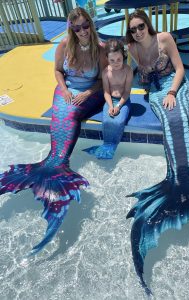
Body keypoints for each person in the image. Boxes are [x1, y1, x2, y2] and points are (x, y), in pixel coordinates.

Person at [125, 9, 189, 295]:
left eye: (141, 26)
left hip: (177, 88)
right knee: (169, 120)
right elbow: (127, 71)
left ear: (148, 25)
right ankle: (181, 182)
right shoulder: (132, 49)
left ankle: (185, 179)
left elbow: (180, 69)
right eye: (133, 29)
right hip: (155, 94)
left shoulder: (165, 39)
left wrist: (171, 92)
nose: (138, 32)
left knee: (179, 116)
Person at [0, 7, 107, 255]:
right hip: (67, 90)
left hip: (90, 93)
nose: (81, 31)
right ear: (71, 29)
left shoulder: (99, 48)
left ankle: (55, 168)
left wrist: (86, 93)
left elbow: (103, 80)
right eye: (76, 28)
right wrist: (65, 89)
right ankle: (54, 166)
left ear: (90, 24)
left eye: (85, 26)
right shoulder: (63, 45)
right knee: (61, 113)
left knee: (70, 113)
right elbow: (58, 71)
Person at [83, 39, 133, 159]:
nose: (116, 63)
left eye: (119, 60)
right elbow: (106, 92)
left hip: (123, 101)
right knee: (107, 121)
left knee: (119, 121)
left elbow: (127, 92)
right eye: (112, 60)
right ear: (107, 59)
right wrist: (111, 106)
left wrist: (118, 106)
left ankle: (110, 147)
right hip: (110, 100)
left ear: (123, 56)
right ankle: (106, 146)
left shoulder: (128, 71)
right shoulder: (106, 72)